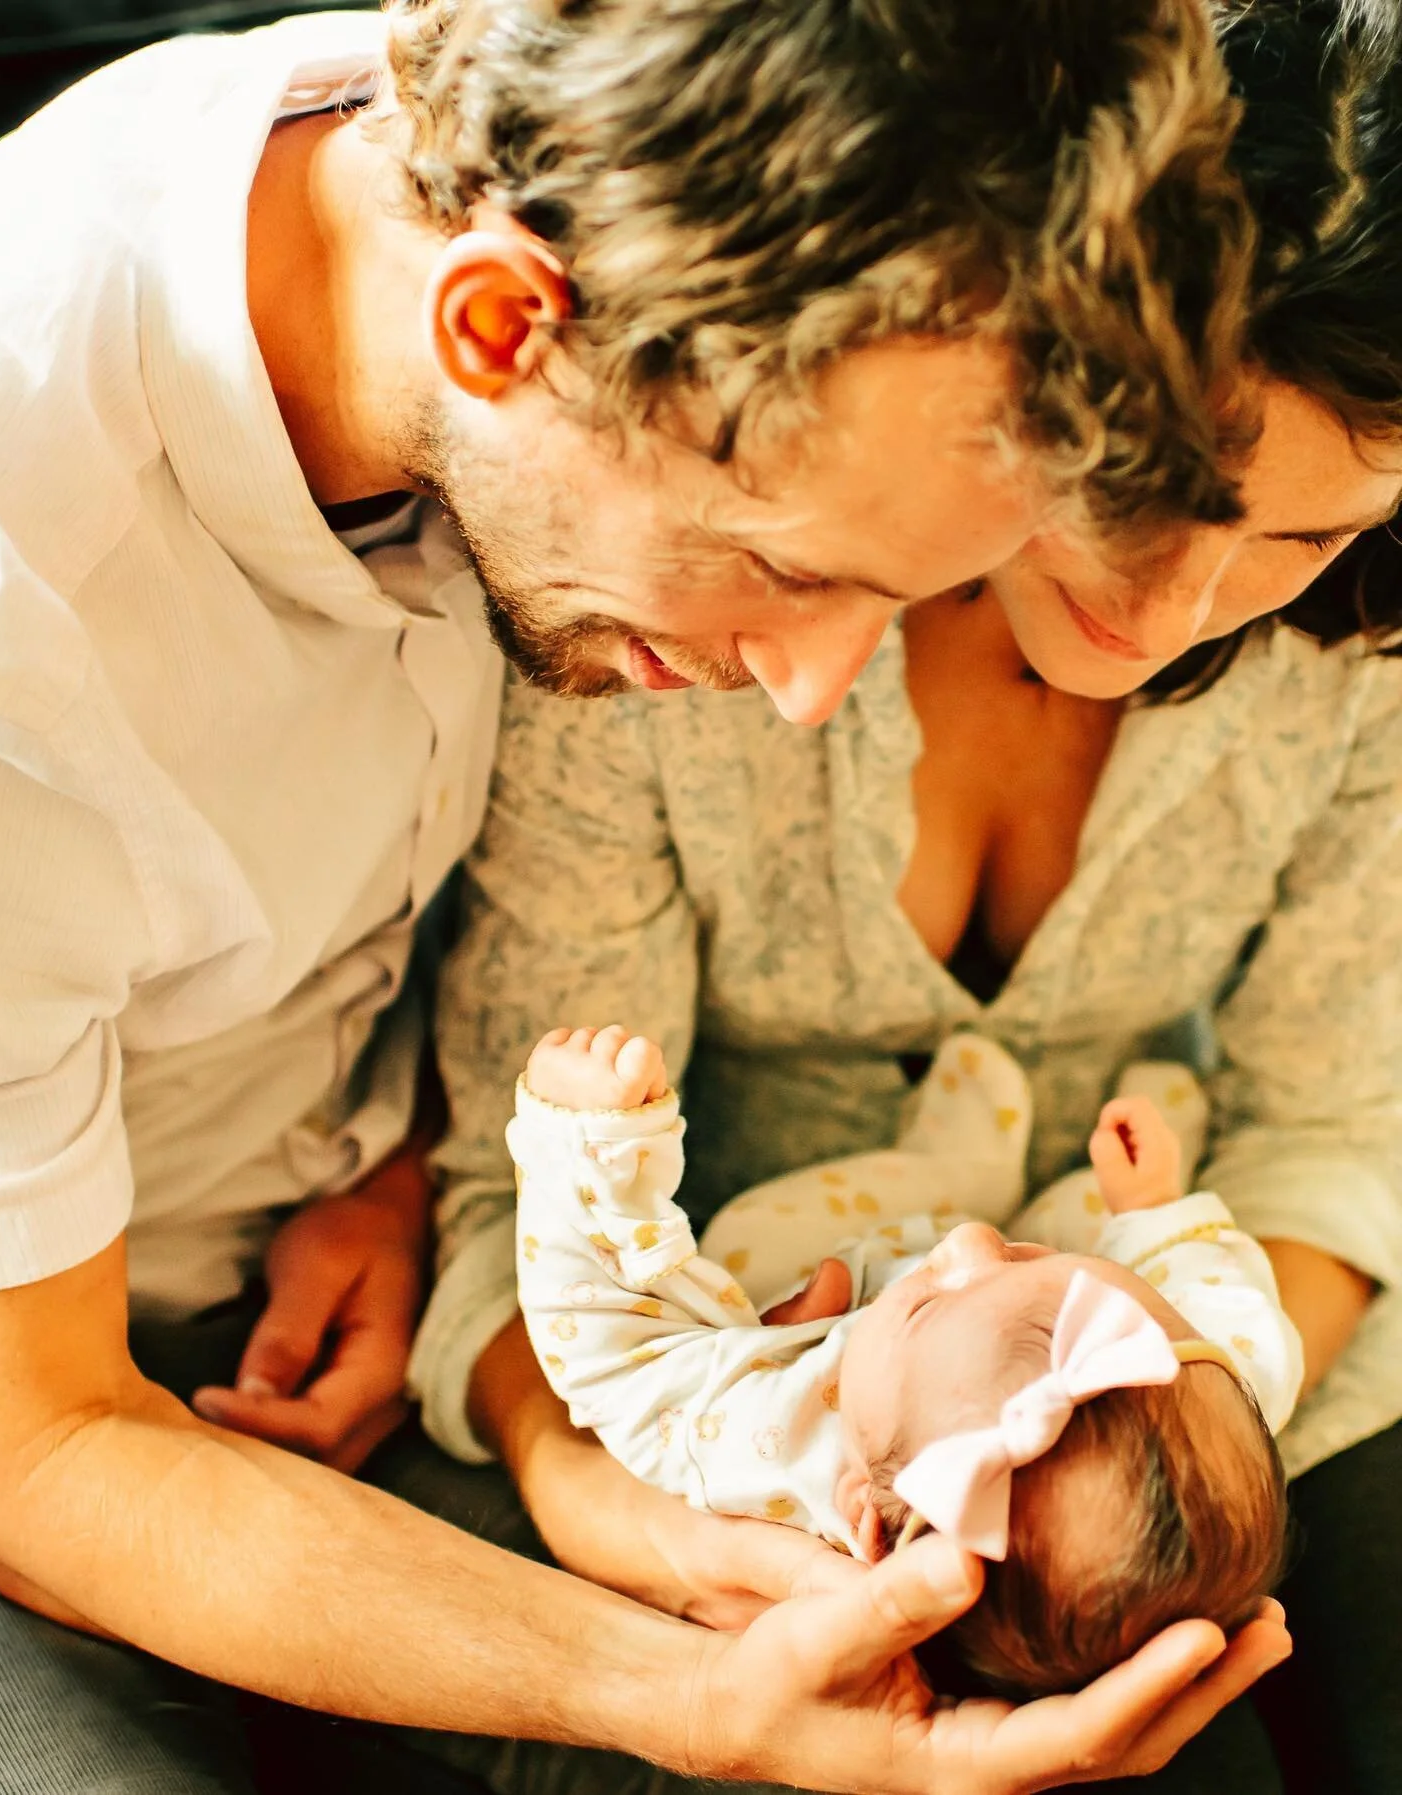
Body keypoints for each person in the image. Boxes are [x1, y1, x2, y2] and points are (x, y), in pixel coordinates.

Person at [0, 0, 1296, 1790]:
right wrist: (689, 1695)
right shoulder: (0, 649)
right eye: (789, 570)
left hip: (353, 1245)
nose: (814, 697)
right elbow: (37, 1455)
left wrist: (382, 1158)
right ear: (498, 328)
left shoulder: (489, 158)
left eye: (903, 596)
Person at [421, 7, 1402, 1788]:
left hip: (1215, 1392)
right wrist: (653, 1526)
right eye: (1153, 485)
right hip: (711, 1392)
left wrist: (1173, 1432)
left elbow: (1336, 1127)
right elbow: (521, 1177)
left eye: (1301, 534)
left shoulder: (1355, 664)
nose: (1170, 613)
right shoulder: (707, 592)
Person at [511, 1023, 1295, 1699]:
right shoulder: (1204, 1374)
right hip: (1040, 1281)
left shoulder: (773, 1448)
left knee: (755, 1236)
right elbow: (1221, 1300)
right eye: (1030, 1261)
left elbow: (613, 1351)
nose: (971, 1242)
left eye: (928, 1303)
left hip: (837, 1256)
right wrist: (1153, 1207)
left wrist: (591, 1148)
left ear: (863, 1510)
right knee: (1101, 1229)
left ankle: (953, 1162)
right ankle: (1031, 1204)